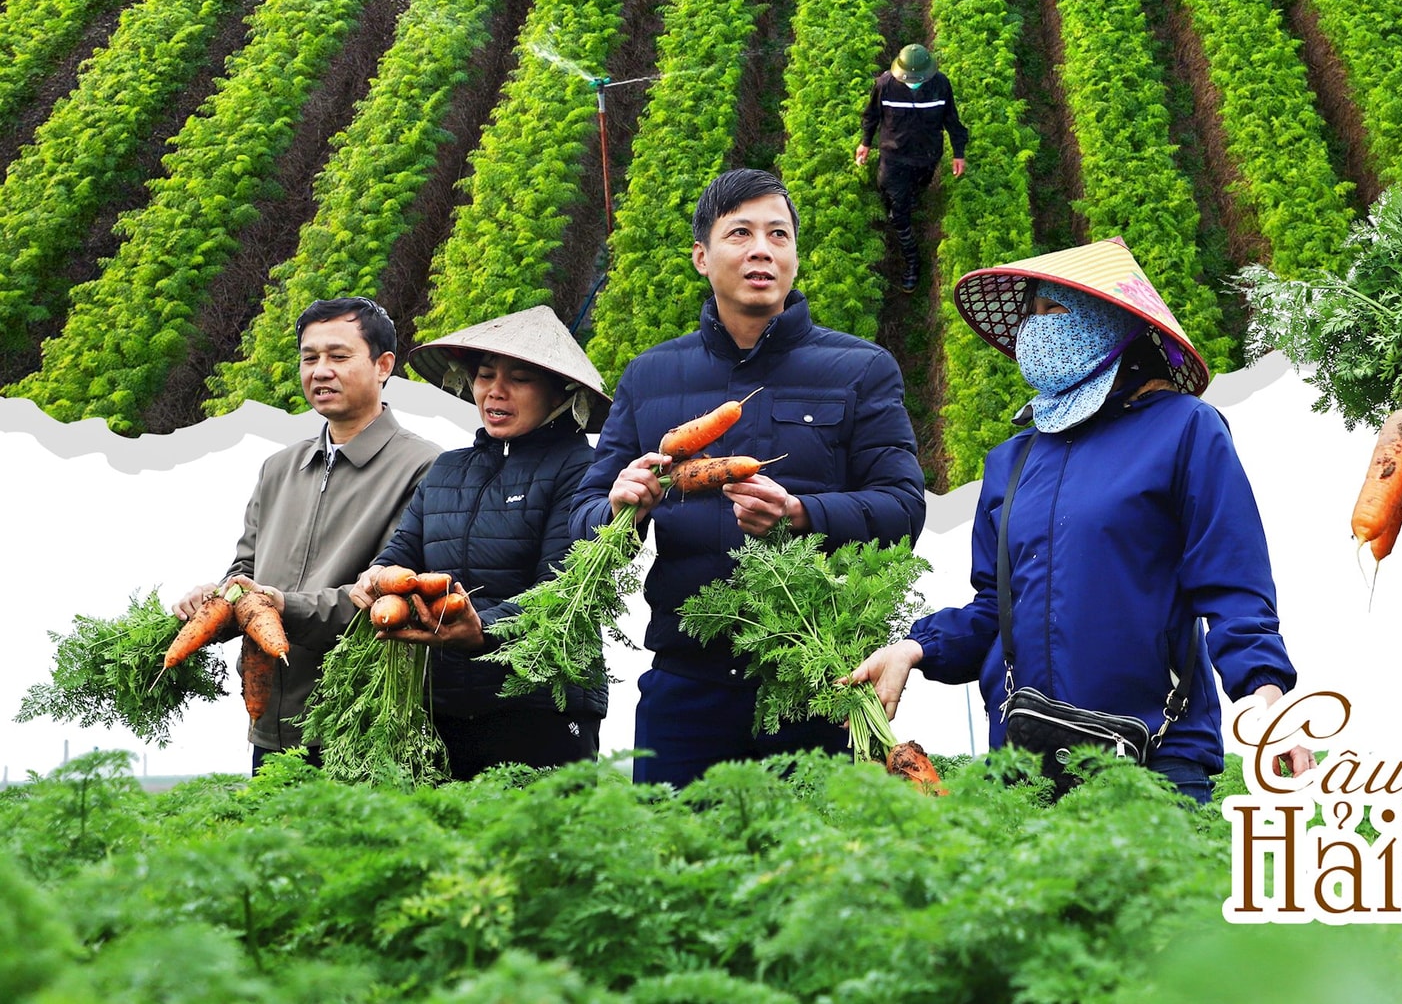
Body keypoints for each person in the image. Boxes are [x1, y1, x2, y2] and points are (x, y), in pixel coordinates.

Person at [845, 238, 1310, 804]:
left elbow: (1232, 582)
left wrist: (1266, 692)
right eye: (1031, 315)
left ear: (1107, 323)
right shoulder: (1011, 462)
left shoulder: (1185, 430)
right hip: (1026, 766)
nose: (1035, 329)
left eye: (1055, 312)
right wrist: (916, 649)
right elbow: (996, 609)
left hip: (1154, 760)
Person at [565, 168, 926, 785]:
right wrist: (619, 508)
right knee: (681, 870)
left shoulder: (861, 369)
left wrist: (801, 515)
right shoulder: (651, 376)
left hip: (819, 681)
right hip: (687, 687)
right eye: (741, 233)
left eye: (778, 235)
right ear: (702, 256)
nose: (762, 249)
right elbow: (583, 516)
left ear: (793, 257)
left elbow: (903, 509)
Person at [347, 306, 612, 781]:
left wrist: (483, 631)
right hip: (441, 706)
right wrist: (375, 579)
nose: (495, 390)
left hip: (538, 707)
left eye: (520, 378)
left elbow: (562, 590)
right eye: (485, 375)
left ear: (560, 392)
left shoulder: (582, 470)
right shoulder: (448, 469)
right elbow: (403, 551)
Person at [173, 297, 440, 769]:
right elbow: (245, 570)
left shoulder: (424, 467)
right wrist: (215, 599)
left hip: (358, 722)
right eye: (309, 357)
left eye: (338, 357)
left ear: (383, 366)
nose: (320, 371)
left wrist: (281, 606)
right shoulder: (279, 468)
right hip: (271, 721)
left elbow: (386, 603)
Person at [855, 43, 968, 290]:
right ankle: (912, 261)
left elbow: (952, 120)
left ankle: (909, 202)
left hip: (927, 156)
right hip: (893, 156)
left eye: (918, 79)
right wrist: (865, 143)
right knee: (895, 204)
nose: (913, 83)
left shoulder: (940, 85)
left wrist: (958, 153)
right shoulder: (885, 85)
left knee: (917, 190)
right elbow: (871, 116)